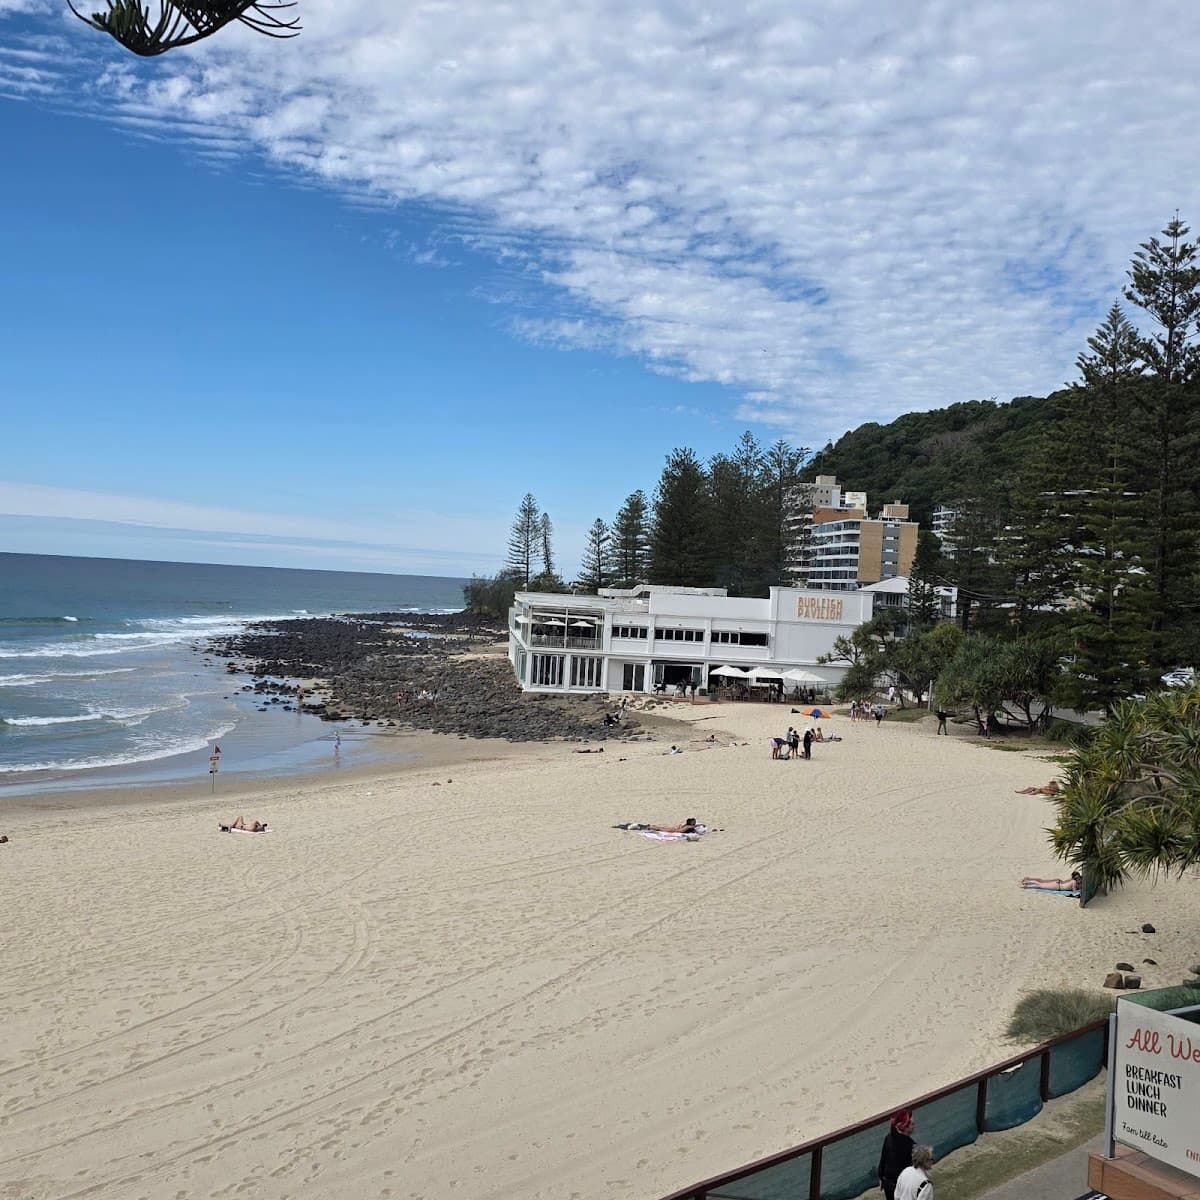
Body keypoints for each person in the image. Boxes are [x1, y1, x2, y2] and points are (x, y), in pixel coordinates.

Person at [878, 1110, 915, 1200]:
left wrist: (881, 1178)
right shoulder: (911, 1146)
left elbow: (883, 1160)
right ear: (905, 1128)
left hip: (888, 1185)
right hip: (902, 1189)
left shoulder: (889, 1138)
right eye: (912, 1124)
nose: (915, 1126)